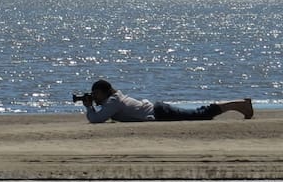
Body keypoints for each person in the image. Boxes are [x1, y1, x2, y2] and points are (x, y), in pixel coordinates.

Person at [78, 79, 253, 123]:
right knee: (198, 114)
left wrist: (89, 107)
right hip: (158, 110)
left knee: (200, 114)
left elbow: (97, 119)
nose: (95, 97)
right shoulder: (113, 100)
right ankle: (237, 104)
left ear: (105, 92)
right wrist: (93, 105)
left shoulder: (113, 102)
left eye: (96, 94)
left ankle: (238, 104)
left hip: (159, 112)